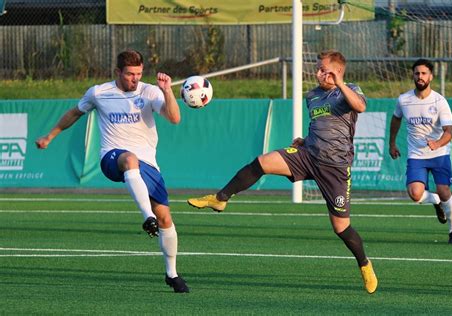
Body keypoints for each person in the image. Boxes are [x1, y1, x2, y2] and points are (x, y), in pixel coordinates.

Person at [188, 50, 378, 294]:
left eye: (323, 69)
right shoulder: (313, 96)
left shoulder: (350, 89)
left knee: (341, 228)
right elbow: (322, 125)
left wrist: (340, 83)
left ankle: (364, 264)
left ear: (337, 72)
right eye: (318, 68)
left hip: (336, 167)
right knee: (262, 162)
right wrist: (305, 140)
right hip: (308, 155)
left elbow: (360, 107)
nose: (317, 72)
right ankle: (220, 199)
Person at [36, 49, 189, 293]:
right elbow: (74, 113)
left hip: (148, 164)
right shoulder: (99, 92)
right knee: (130, 160)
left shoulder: (149, 91)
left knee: (166, 219)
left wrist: (167, 91)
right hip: (113, 157)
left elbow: (175, 118)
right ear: (118, 72)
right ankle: (146, 217)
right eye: (130, 74)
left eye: (139, 73)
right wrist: (50, 136)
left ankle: (172, 274)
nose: (135, 79)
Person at [389, 58, 452, 244]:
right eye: (417, 73)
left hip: (439, 154)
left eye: (423, 73)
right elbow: (396, 119)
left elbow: (449, 131)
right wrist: (392, 143)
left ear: (431, 76)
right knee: (415, 194)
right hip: (416, 155)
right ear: (413, 76)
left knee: (445, 192)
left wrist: (437, 143)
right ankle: (436, 201)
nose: (420, 77)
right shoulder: (404, 100)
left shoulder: (439, 101)